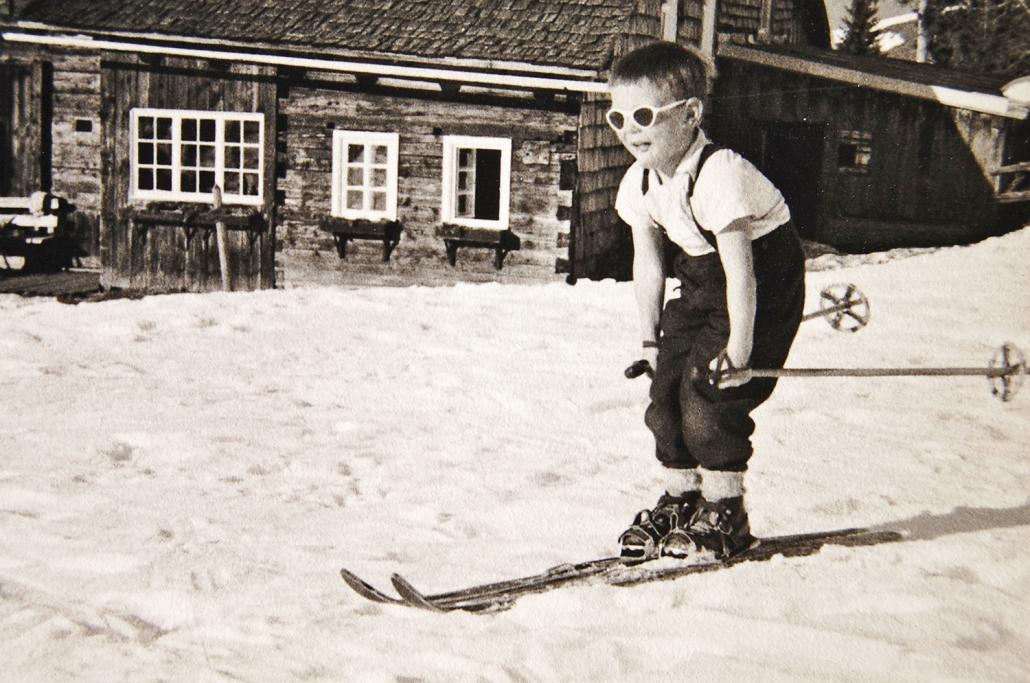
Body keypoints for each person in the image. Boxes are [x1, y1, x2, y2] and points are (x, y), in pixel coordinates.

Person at [608, 41, 806, 562]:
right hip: (699, 281)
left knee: (708, 395)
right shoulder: (641, 181)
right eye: (617, 117)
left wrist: (740, 350)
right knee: (667, 392)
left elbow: (742, 272)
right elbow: (648, 262)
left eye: (644, 115)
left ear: (690, 114)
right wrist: (651, 340)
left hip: (765, 279)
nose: (629, 130)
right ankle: (681, 499)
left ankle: (726, 513)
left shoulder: (720, 172)